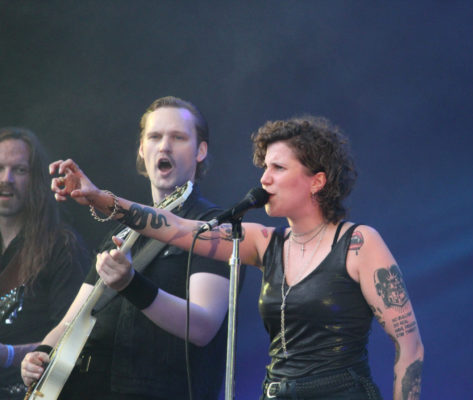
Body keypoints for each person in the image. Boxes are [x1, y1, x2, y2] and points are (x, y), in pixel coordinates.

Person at [41, 116, 424, 400]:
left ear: (317, 181)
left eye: (278, 168)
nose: (264, 179)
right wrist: (98, 198)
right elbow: (176, 227)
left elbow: (409, 346)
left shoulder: (359, 242)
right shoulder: (264, 242)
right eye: (264, 168)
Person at [21, 97, 232, 400]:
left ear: (201, 151)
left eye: (178, 137)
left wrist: (131, 284)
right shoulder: (122, 233)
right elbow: (72, 319)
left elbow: (203, 326)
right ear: (142, 150)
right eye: (155, 137)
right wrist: (41, 353)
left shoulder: (213, 226)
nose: (165, 146)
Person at [0, 128, 88, 400]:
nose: (6, 179)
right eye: (0, 168)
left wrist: (9, 355)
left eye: (19, 170)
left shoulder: (62, 246)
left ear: (36, 179)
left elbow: (75, 339)